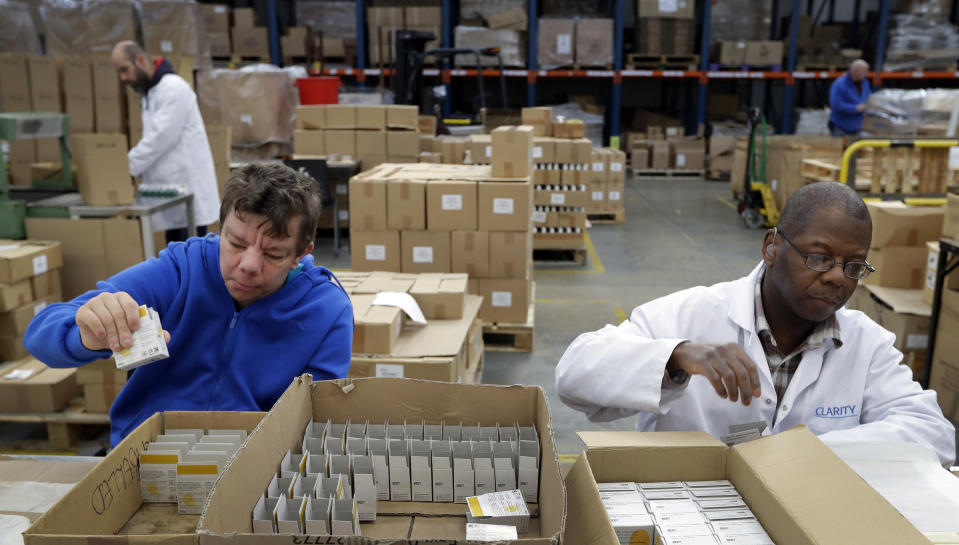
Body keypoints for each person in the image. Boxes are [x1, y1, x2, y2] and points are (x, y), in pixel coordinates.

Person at [555, 182, 956, 466]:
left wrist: (805, 453)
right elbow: (574, 374)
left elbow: (933, 434)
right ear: (771, 247)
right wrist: (676, 357)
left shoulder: (866, 344)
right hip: (687, 515)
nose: (837, 277)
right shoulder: (688, 314)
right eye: (819, 257)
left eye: (853, 266)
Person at [24, 163, 354, 446]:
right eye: (236, 243)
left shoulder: (326, 311)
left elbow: (314, 419)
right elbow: (40, 334)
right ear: (220, 227)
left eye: (273, 253)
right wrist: (85, 336)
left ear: (302, 252)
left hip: (257, 464)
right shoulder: (181, 269)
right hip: (145, 453)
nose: (248, 264)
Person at [111, 41, 220, 244]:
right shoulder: (151, 92)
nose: (123, 78)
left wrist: (122, 168)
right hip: (172, 195)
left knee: (193, 262)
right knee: (175, 262)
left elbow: (159, 139)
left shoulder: (173, 88)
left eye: (125, 70)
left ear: (141, 60)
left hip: (187, 193)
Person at [828, 59, 872, 137]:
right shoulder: (839, 84)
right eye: (864, 71)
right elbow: (836, 104)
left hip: (857, 127)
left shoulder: (865, 83)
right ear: (856, 71)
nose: (866, 74)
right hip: (840, 127)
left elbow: (868, 97)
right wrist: (855, 108)